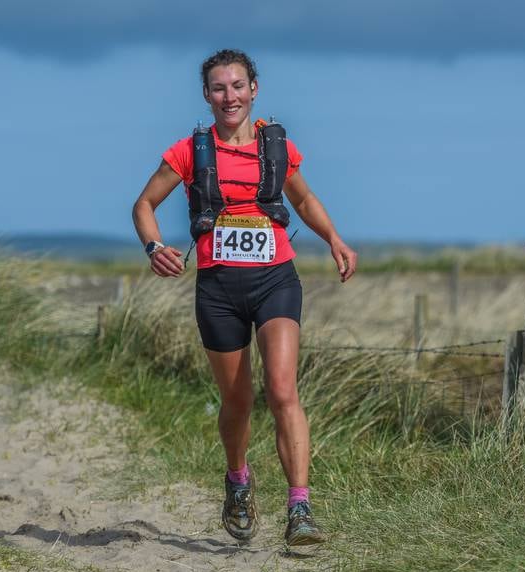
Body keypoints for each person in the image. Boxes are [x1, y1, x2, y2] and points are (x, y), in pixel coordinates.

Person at [130, 49, 357, 546]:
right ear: (206, 95)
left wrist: (334, 238)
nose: (228, 96)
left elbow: (302, 198)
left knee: (281, 390)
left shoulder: (276, 146)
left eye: (237, 86)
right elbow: (144, 204)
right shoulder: (190, 151)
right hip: (217, 289)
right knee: (237, 401)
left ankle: (300, 509)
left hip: (275, 280)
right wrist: (153, 246)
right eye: (218, 88)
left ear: (255, 89)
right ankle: (237, 481)